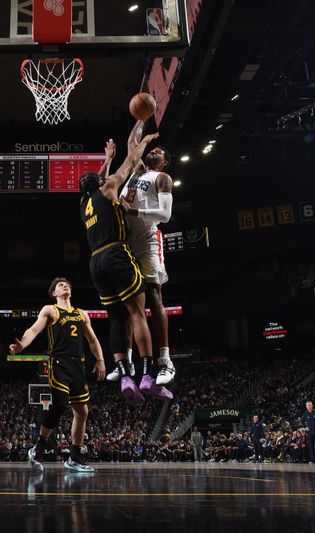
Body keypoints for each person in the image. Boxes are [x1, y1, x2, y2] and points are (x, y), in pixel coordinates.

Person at [78, 131, 168, 405]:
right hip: (117, 254)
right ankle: (147, 374)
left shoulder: (83, 204)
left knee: (117, 318)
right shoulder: (108, 189)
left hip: (95, 263)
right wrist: (142, 143)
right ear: (102, 182)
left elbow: (99, 179)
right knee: (138, 313)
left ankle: (125, 376)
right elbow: (130, 161)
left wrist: (106, 160)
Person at [10, 277, 106, 473]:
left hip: (78, 364)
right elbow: (34, 329)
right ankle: (38, 447)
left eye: (68, 284)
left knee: (82, 411)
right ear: (54, 293)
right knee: (61, 404)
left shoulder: (82, 314)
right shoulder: (50, 310)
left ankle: (74, 457)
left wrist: (101, 359)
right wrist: (22, 346)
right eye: (60, 285)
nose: (65, 285)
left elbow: (93, 339)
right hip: (59, 362)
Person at [116, 122, 176, 389]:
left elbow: (165, 215)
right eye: (155, 149)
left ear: (164, 163)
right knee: (129, 304)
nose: (156, 151)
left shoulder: (162, 178)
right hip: (126, 243)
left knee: (154, 295)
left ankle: (165, 360)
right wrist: (139, 120)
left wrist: (134, 213)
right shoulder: (138, 171)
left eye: (160, 152)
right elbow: (131, 146)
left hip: (148, 238)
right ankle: (127, 364)